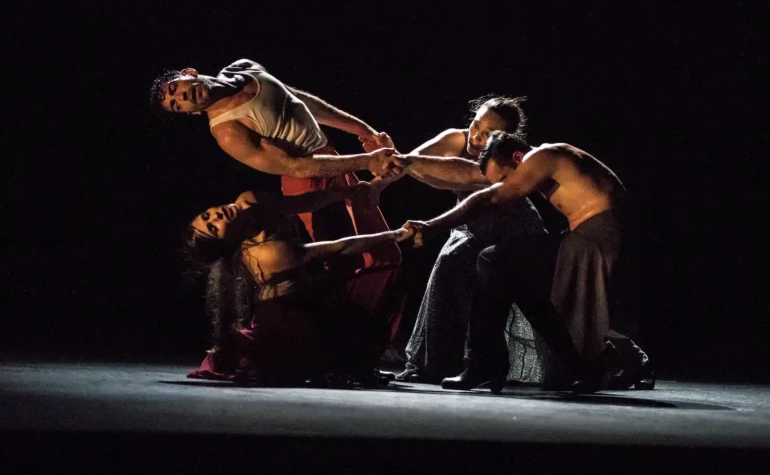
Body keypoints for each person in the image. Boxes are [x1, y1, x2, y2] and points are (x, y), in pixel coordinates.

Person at [150, 58, 402, 336]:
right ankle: (346, 349)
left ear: (189, 73)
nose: (183, 97)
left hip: (332, 160)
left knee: (382, 254)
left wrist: (361, 129)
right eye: (177, 104)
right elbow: (297, 166)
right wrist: (366, 161)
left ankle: (357, 346)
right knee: (355, 262)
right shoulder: (227, 132)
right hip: (309, 180)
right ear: (191, 113)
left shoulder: (243, 67)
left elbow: (299, 100)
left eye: (176, 89)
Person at [396, 131, 653, 393]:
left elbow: (491, 197)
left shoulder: (543, 155)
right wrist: (409, 163)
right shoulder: (555, 157)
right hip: (593, 239)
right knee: (522, 285)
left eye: (505, 178)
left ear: (518, 157)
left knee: (493, 259)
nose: (505, 185)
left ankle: (483, 363)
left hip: (595, 242)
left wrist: (430, 226)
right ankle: (585, 366)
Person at [367, 96, 553, 385]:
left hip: (510, 229)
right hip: (470, 226)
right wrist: (375, 187)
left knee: (530, 300)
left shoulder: (502, 160)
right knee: (448, 271)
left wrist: (409, 163)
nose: (477, 136)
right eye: (476, 124)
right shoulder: (456, 138)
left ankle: (439, 365)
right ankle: (439, 362)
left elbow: (462, 176)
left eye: (488, 134)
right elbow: (407, 163)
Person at [183, 183, 410, 387]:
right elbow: (338, 247)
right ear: (228, 241)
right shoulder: (267, 253)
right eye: (213, 227)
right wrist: (395, 235)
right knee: (379, 275)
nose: (216, 215)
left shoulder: (251, 199)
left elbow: (303, 203)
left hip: (312, 297)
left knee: (361, 294)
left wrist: (348, 191)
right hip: (288, 319)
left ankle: (349, 363)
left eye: (206, 215)